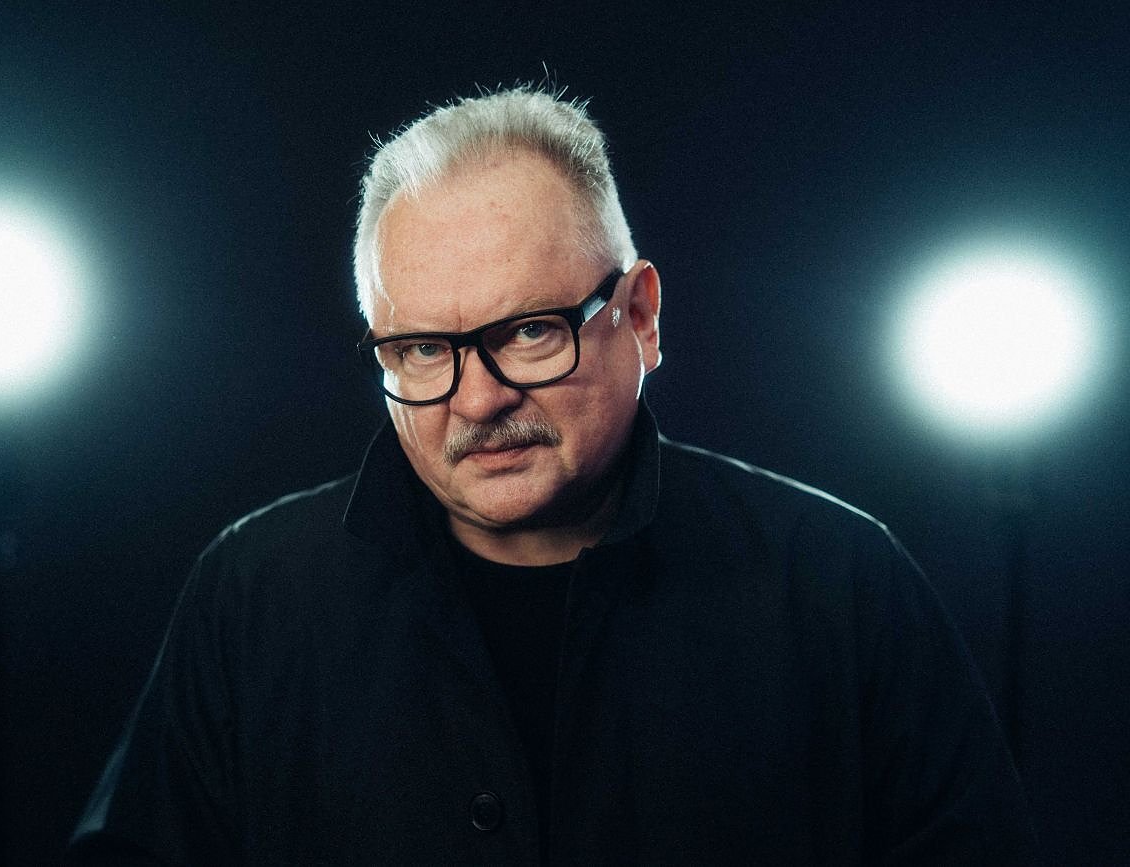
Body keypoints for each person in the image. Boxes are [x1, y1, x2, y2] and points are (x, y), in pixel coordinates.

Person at [66, 86, 1037, 864]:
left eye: (529, 331)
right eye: (420, 349)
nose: (478, 398)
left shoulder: (840, 584)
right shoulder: (254, 594)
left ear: (640, 317)